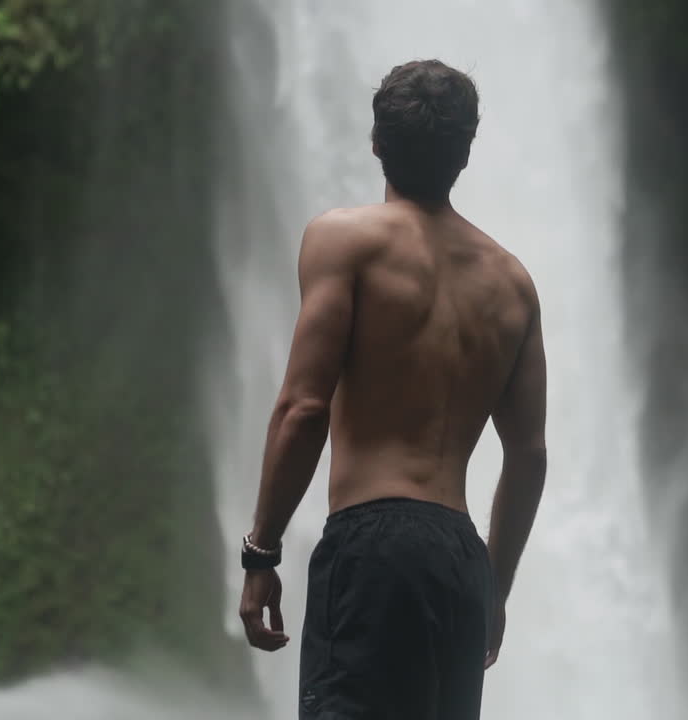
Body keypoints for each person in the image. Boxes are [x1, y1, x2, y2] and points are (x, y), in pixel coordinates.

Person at [237, 58, 548, 720]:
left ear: (377, 142)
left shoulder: (345, 242)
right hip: (461, 559)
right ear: (466, 151)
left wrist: (261, 551)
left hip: (372, 546)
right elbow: (528, 456)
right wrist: (493, 590)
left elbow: (303, 409)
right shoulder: (513, 284)